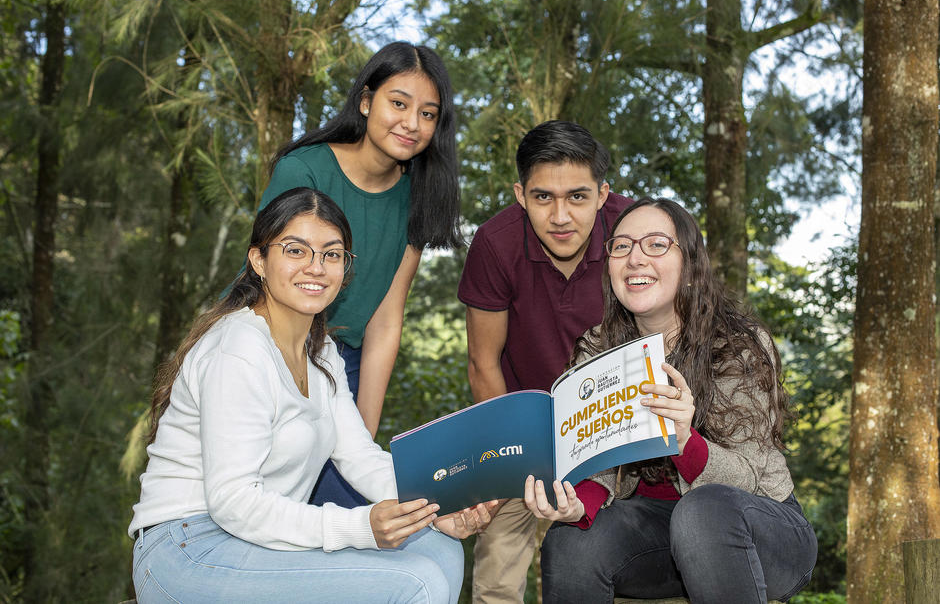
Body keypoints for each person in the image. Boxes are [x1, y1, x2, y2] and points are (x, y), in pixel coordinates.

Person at [130, 188, 492, 604]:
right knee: (416, 583)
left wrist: (436, 505)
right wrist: (359, 526)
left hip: (254, 540)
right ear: (259, 261)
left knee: (440, 550)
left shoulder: (319, 351)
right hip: (187, 549)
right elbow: (233, 501)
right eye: (296, 251)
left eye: (332, 254)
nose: (316, 268)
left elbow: (359, 457)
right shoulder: (239, 350)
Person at [522, 197, 818, 603]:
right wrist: (577, 505)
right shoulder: (598, 347)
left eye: (656, 244)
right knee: (570, 541)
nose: (635, 258)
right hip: (660, 535)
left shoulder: (739, 344)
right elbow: (597, 460)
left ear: (691, 265)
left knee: (701, 512)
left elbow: (749, 478)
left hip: (762, 526)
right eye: (621, 246)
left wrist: (684, 439)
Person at [258, 41, 461, 508]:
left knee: (347, 506)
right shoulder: (304, 170)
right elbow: (269, 283)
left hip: (342, 364)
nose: (412, 123)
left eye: (428, 114)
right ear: (366, 101)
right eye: (398, 103)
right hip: (269, 347)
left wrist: (362, 433)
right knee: (270, 509)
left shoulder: (417, 196)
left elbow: (387, 318)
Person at [457, 120, 632, 603]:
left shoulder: (633, 233)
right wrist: (519, 452)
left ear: (603, 194)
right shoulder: (496, 243)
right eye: (542, 198)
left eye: (577, 196)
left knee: (606, 560)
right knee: (497, 569)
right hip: (523, 424)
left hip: (613, 426)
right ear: (520, 194)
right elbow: (482, 362)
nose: (560, 216)